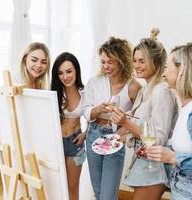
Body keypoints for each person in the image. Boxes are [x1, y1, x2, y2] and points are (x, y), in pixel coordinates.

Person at [145, 42, 192, 200]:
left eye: (167, 67)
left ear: (183, 70)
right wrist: (162, 152)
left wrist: (174, 158)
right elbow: (186, 149)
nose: (163, 73)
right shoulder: (186, 108)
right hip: (179, 187)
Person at [111, 28, 177, 200]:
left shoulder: (162, 91)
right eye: (134, 61)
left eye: (142, 61)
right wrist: (123, 132)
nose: (136, 66)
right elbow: (141, 125)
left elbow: (158, 139)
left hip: (154, 166)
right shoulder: (146, 89)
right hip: (144, 161)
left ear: (156, 62)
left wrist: (126, 124)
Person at [83, 37, 141, 200]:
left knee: (108, 196)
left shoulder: (134, 87)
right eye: (103, 62)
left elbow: (138, 117)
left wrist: (123, 129)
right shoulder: (94, 82)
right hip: (93, 135)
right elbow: (86, 111)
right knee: (99, 193)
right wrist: (98, 110)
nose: (106, 66)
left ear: (122, 61)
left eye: (111, 62)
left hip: (115, 139)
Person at [51, 52, 87, 200]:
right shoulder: (54, 93)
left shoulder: (84, 92)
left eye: (69, 71)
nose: (65, 77)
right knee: (56, 186)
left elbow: (94, 119)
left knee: (72, 187)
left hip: (74, 143)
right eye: (60, 73)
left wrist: (85, 134)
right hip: (56, 143)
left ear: (76, 70)